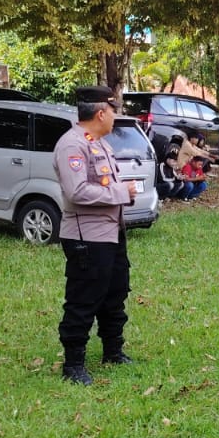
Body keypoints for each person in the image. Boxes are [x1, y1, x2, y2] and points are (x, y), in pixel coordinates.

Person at [54, 85, 140, 385]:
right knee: (84, 297)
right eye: (114, 110)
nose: (116, 116)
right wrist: (121, 192)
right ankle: (73, 364)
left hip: (110, 232)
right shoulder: (72, 145)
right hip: (86, 236)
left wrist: (122, 193)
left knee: (115, 292)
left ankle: (113, 351)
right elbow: (76, 191)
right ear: (101, 113)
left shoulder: (99, 144)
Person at [176, 130, 211, 198]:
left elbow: (200, 151)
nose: (198, 140)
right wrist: (198, 178)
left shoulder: (193, 146)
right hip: (181, 172)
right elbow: (186, 179)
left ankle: (190, 195)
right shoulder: (187, 145)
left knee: (204, 185)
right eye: (197, 138)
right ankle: (183, 196)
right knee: (189, 185)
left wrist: (202, 178)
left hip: (191, 178)